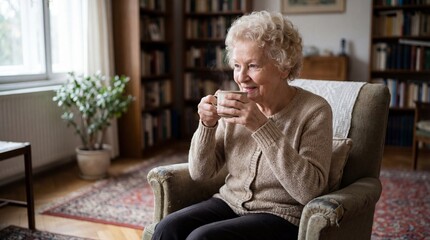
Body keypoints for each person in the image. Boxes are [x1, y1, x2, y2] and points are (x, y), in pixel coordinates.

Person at [152, 10, 333, 240]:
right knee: (167, 228)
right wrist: (206, 126)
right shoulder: (236, 104)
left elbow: (310, 191)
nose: (241, 77)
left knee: (202, 238)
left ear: (283, 67)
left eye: (253, 66)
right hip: (229, 202)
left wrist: (261, 127)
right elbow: (200, 173)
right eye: (237, 66)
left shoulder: (315, 111)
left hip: (281, 216)